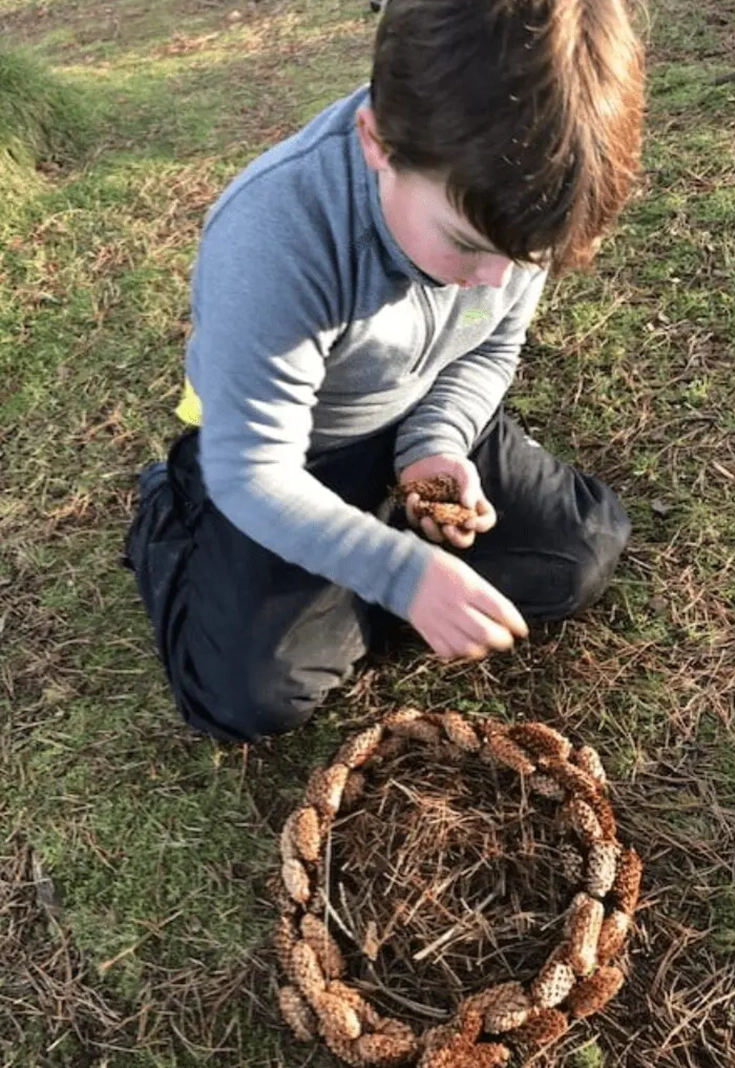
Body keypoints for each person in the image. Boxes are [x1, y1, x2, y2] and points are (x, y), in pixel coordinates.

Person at [124, 0, 645, 743]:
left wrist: (435, 447)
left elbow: (490, 348)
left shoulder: (513, 204)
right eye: (465, 244)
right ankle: (175, 520)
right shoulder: (274, 234)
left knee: (581, 552)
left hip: (410, 411)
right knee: (247, 698)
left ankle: (349, 575)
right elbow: (254, 471)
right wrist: (405, 576)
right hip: (293, 456)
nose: (493, 281)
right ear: (377, 143)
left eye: (526, 261)